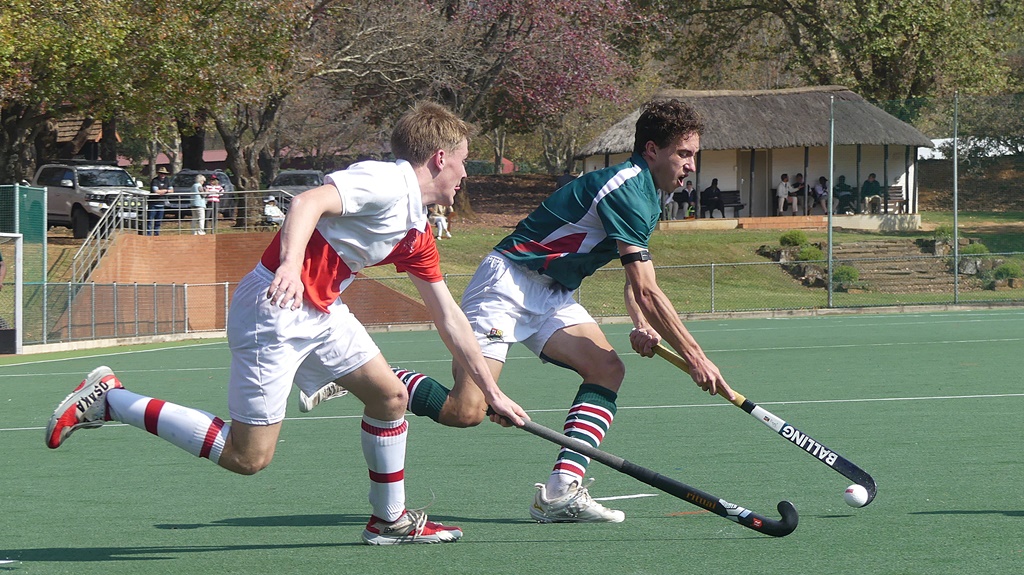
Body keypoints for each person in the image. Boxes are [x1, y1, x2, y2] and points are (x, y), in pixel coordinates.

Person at [44, 101, 527, 545]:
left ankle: (389, 520)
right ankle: (112, 400)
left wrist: (491, 392)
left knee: (390, 396)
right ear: (440, 158)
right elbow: (306, 203)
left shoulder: (416, 228)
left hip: (323, 311)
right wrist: (290, 264)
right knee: (247, 457)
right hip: (274, 310)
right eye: (464, 160)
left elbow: (449, 318)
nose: (466, 174)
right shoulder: (385, 182)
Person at [304, 99, 734, 524]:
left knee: (606, 369)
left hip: (554, 295)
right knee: (465, 411)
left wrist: (641, 325)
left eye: (693, 155)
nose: (691, 165)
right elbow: (647, 289)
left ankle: (561, 492)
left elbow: (636, 279)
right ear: (652, 150)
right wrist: (696, 357)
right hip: (507, 283)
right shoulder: (626, 187)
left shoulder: (648, 196)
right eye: (684, 153)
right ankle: (358, 373)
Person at [147, 167, 172, 235]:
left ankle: (156, 234)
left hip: (161, 203)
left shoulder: (167, 180)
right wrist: (166, 191)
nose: (163, 175)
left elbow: (171, 190)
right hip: (153, 204)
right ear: (158, 174)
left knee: (158, 221)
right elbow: (156, 191)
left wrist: (164, 191)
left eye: (164, 173)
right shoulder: (155, 180)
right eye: (161, 173)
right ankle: (148, 234)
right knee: (150, 220)